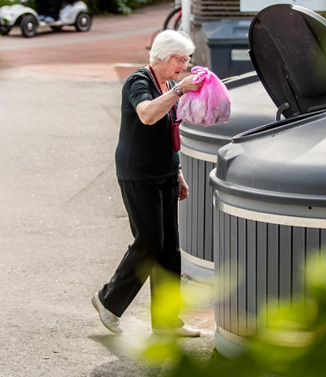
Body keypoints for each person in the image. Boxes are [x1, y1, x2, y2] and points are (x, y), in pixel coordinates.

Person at [92, 30, 203, 337]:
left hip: (164, 172)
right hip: (138, 173)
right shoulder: (139, 81)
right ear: (162, 57)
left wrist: (177, 172)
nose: (184, 65)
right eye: (180, 60)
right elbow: (146, 115)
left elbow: (168, 133)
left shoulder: (167, 83)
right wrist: (179, 91)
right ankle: (108, 301)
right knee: (149, 243)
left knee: (170, 250)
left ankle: (167, 322)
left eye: (186, 60)